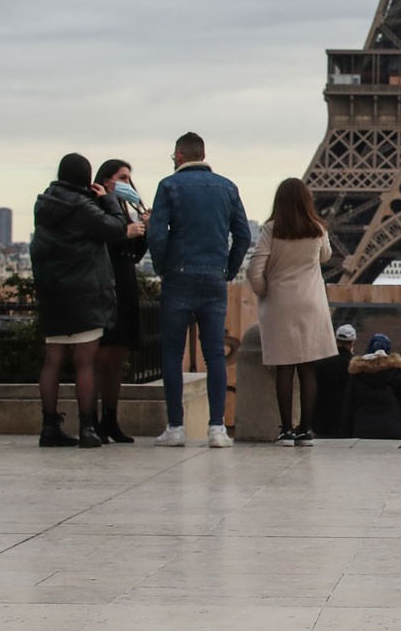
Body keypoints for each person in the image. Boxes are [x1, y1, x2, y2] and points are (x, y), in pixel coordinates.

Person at [30, 154, 144, 448]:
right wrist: (108, 200)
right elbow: (115, 228)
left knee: (52, 361)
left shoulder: (44, 204)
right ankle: (87, 428)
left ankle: (49, 426)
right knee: (85, 362)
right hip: (84, 293)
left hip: (52, 292)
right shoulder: (83, 206)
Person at [146, 131, 250, 448]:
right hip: (215, 277)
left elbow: (156, 235)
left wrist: (162, 268)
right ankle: (217, 428)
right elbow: (243, 236)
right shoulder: (228, 187)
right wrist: (228, 270)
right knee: (215, 354)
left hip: (178, 276)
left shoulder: (168, 186)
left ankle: (176, 427)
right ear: (203, 155)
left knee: (172, 353)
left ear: (179, 156)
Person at [245, 178, 336, 448]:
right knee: (308, 368)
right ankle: (306, 430)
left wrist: (263, 290)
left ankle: (286, 430)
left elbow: (254, 269)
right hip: (310, 303)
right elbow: (326, 256)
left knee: (284, 367)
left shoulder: (271, 229)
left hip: (280, 303)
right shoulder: (318, 229)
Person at [92, 160, 149, 444]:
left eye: (129, 177)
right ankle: (92, 420)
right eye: (122, 177)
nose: (127, 182)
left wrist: (145, 230)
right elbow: (100, 241)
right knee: (101, 358)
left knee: (117, 359)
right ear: (107, 180)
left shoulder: (124, 208)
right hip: (107, 284)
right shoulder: (98, 205)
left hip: (125, 282)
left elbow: (134, 254)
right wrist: (125, 232)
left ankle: (110, 419)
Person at [344, 333, 401, 439]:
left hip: (364, 430)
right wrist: (398, 416)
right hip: (395, 430)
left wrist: (348, 432)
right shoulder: (398, 372)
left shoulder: (357, 375)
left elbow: (349, 407)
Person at [312, 324, 357, 438]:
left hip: (321, 422)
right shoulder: (355, 366)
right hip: (345, 423)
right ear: (352, 342)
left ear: (336, 341)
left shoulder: (321, 362)